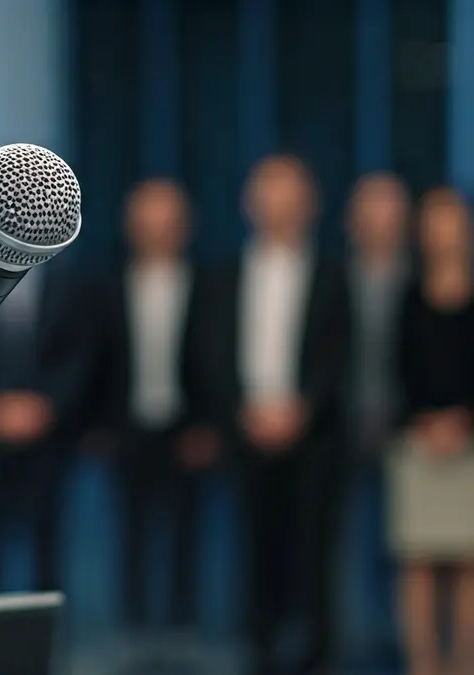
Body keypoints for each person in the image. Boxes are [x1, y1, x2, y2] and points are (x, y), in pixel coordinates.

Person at [193, 155, 349, 675]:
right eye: (269, 192)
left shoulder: (333, 274)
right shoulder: (222, 275)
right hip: (245, 428)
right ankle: (258, 649)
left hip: (314, 434)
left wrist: (302, 410)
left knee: (314, 551)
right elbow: (211, 352)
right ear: (248, 202)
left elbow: (339, 355)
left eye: (290, 193)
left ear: (311, 204)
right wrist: (242, 411)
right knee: (253, 547)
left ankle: (316, 653)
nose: (279, 204)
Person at [98, 179, 218, 632]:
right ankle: (132, 626)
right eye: (148, 220)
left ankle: (183, 625)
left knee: (188, 533)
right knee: (128, 532)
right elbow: (101, 361)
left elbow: (215, 362)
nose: (157, 230)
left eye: (168, 220)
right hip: (127, 428)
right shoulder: (109, 285)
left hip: (186, 428)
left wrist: (208, 425)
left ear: (186, 226)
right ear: (130, 225)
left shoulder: (208, 286)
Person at [0, 203, 90, 596]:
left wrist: (46, 405)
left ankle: (47, 645)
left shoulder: (70, 278)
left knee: (50, 550)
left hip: (50, 434)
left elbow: (83, 351)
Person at [391, 188, 474, 675]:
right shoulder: (407, 292)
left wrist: (462, 420)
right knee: (418, 562)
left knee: (469, 561)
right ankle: (423, 665)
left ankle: (465, 665)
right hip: (417, 441)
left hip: (470, 442)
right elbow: (396, 366)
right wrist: (424, 422)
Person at [344, 173, 412, 664]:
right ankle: (357, 647)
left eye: (389, 213)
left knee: (409, 553)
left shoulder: (420, 279)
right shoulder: (335, 278)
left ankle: (404, 647)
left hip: (408, 435)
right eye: (370, 213)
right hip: (344, 434)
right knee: (350, 548)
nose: (379, 224)